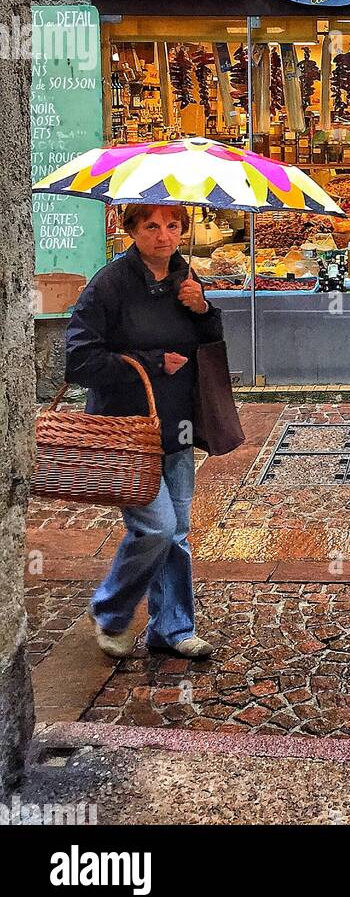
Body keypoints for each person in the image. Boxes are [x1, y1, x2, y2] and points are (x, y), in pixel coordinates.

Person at [65, 204, 224, 661]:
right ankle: (112, 610)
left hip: (177, 425)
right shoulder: (108, 285)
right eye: (151, 226)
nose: (164, 236)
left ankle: (172, 627)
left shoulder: (186, 278)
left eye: (173, 226)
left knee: (178, 532)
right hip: (127, 431)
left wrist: (204, 310)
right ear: (130, 230)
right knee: (157, 528)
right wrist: (150, 365)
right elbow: (79, 360)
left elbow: (210, 343)